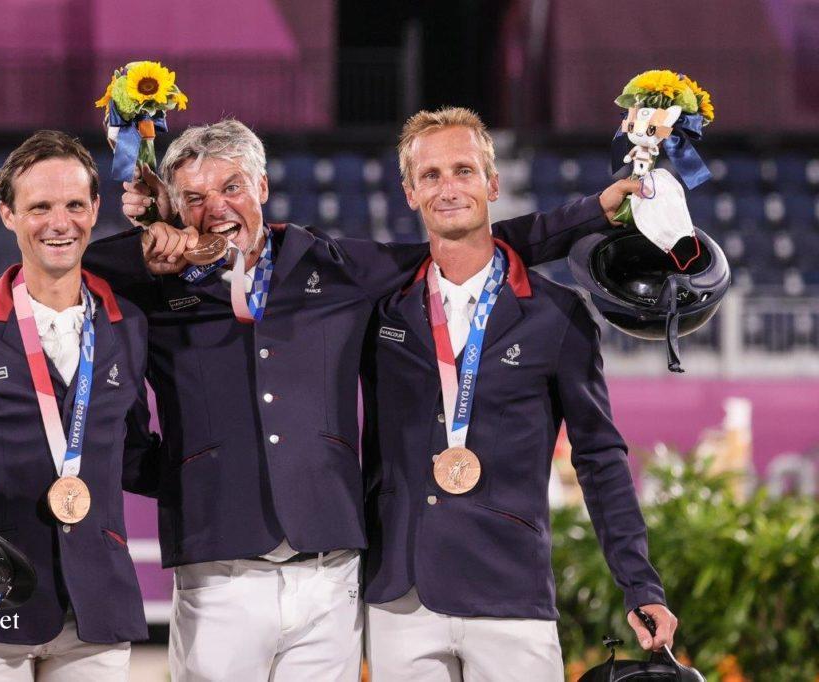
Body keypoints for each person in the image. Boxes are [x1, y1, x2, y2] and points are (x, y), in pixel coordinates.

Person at [83, 118, 638, 682]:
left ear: (262, 189)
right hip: (215, 568)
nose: (216, 209)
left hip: (330, 573)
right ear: (175, 207)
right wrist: (144, 250)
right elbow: (63, 266)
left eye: (231, 188)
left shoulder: (329, 266)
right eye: (194, 198)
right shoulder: (155, 286)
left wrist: (592, 212)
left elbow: (463, 243)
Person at [359, 107, 678, 681]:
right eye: (430, 176)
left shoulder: (556, 316)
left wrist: (639, 583)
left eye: (463, 170)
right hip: (400, 595)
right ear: (409, 193)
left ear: (493, 183)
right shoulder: (381, 310)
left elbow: (600, 458)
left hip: (509, 591)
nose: (448, 187)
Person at [0, 130, 181, 682]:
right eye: (39, 207)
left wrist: (215, 470)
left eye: (74, 204)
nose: (59, 222)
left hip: (95, 605)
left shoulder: (125, 326)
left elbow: (133, 452)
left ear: (95, 208)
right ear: (7, 215)